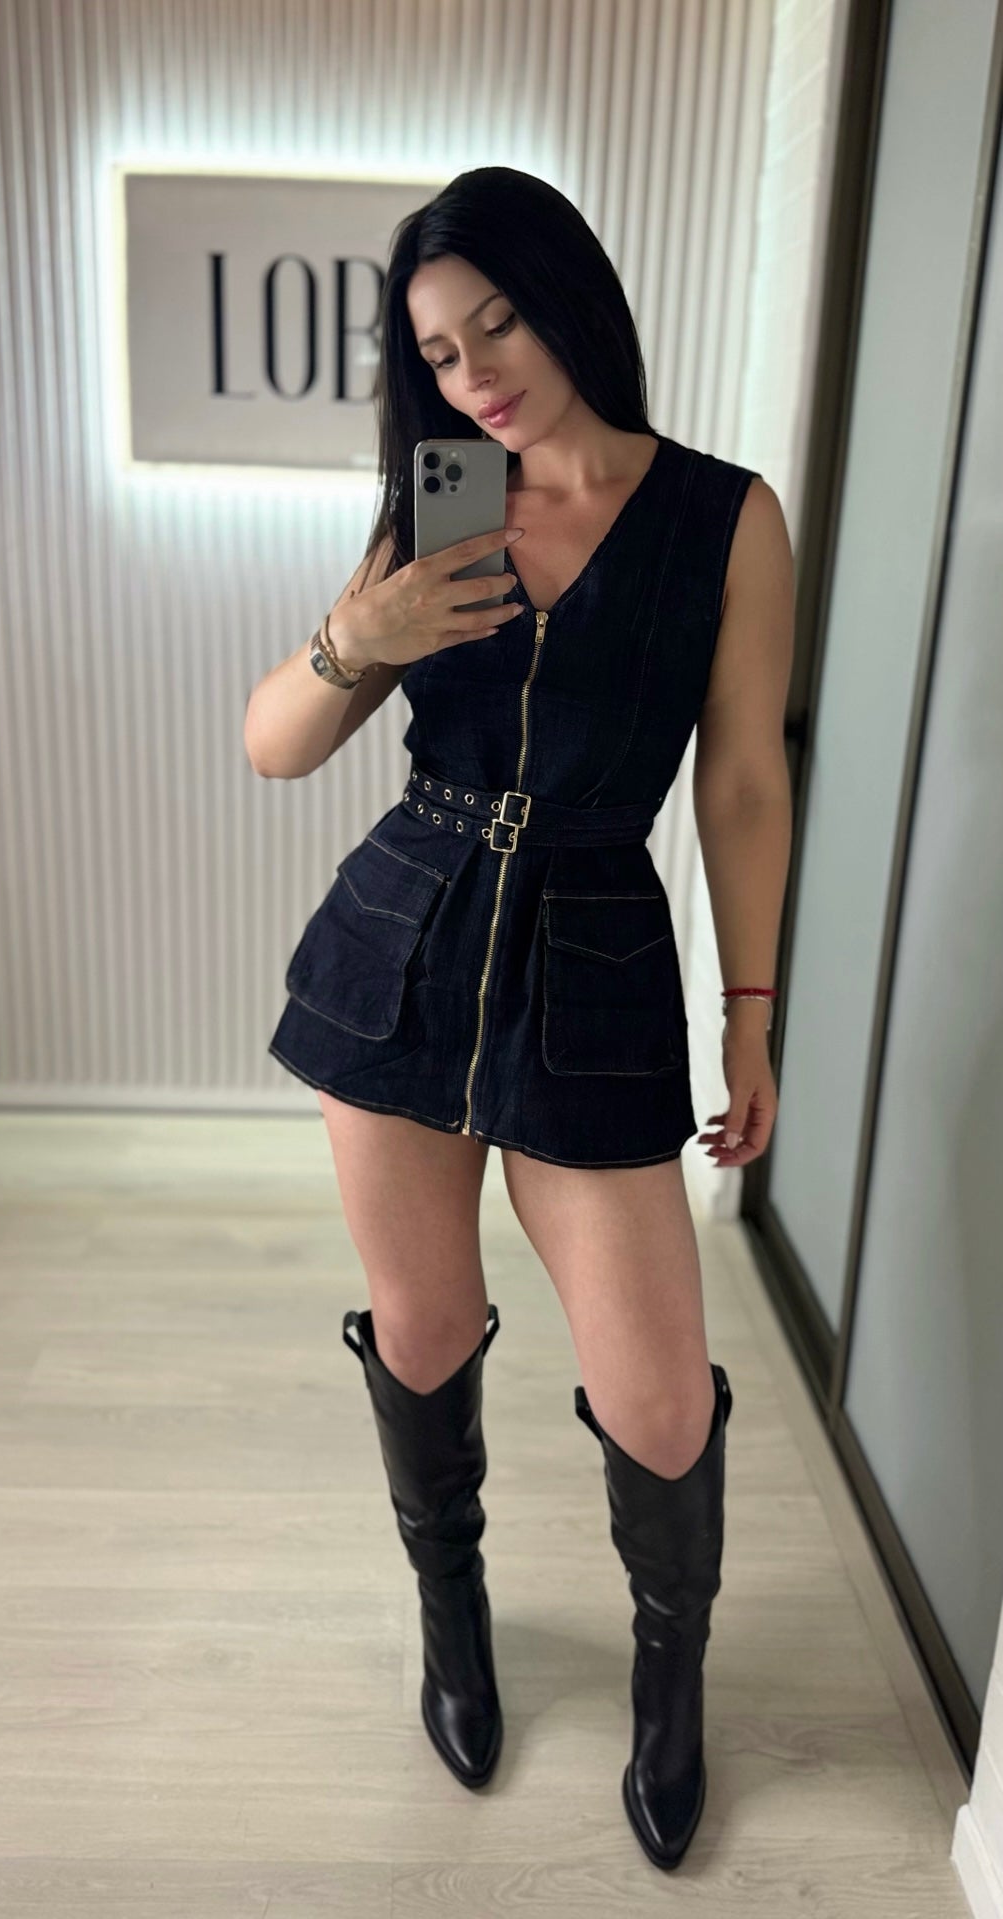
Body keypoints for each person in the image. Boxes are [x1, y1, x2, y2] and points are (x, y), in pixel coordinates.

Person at [245, 165, 794, 1870]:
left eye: (497, 322)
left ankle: (669, 1679)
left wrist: (752, 1017)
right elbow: (275, 746)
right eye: (436, 349)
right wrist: (359, 636)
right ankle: (454, 1617)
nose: (475, 371)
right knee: (423, 1334)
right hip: (401, 953)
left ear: (571, 300)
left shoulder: (722, 516)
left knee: (661, 1402)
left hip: (598, 963)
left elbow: (745, 785)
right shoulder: (444, 501)